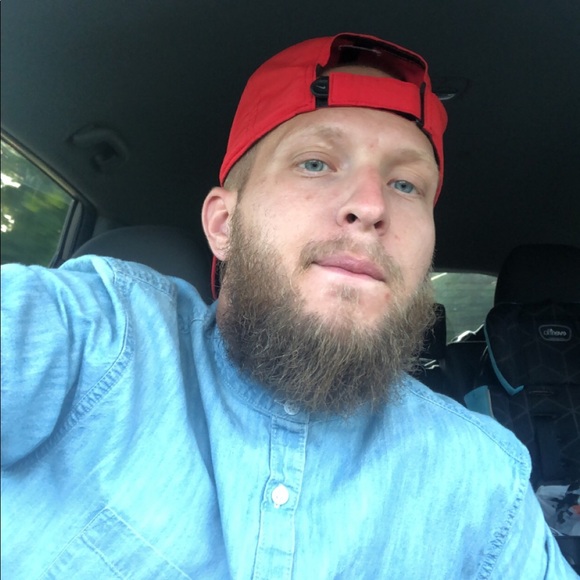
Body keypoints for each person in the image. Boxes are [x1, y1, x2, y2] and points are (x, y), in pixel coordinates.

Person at [1, 33, 576, 579]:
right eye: (316, 163)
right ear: (224, 224)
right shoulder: (96, 338)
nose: (372, 206)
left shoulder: (485, 485)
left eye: (406, 185)